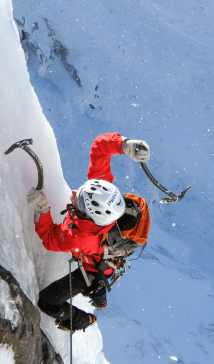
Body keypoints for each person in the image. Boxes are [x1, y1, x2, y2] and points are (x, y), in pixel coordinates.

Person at [27, 133, 151, 332]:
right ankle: (96, 299)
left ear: (91, 215)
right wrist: (125, 145)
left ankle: (82, 320)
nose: (75, 194)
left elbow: (50, 238)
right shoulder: (100, 192)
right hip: (108, 256)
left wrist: (41, 210)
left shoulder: (80, 236)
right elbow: (100, 148)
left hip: (95, 270)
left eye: (81, 201)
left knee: (47, 302)